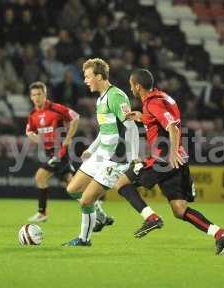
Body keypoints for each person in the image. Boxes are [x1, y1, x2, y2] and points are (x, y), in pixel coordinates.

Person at [116, 69, 224, 255]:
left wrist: (171, 151)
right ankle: (220, 234)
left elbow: (172, 128)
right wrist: (139, 117)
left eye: (131, 85)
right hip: (178, 160)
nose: (131, 89)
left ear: (138, 86)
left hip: (164, 158)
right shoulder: (162, 98)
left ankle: (152, 218)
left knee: (121, 183)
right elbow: (162, 120)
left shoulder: (153, 103)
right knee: (179, 209)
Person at [62, 58, 142, 246]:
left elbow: (131, 127)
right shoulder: (100, 99)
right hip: (101, 154)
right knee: (72, 189)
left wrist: (134, 158)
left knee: (85, 201)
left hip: (115, 157)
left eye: (88, 76)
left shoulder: (116, 96)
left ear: (99, 76)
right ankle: (101, 217)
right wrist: (91, 149)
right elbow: (106, 130)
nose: (85, 80)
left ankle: (84, 239)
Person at [26, 81, 79, 223]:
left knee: (40, 177)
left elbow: (75, 117)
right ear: (31, 97)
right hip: (50, 153)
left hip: (60, 151)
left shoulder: (56, 108)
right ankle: (97, 209)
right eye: (33, 95)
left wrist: (68, 139)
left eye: (39, 94)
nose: (36, 97)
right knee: (71, 184)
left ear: (45, 94)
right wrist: (37, 138)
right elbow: (29, 131)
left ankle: (42, 213)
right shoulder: (33, 115)